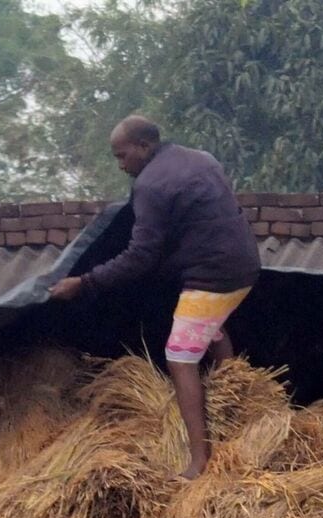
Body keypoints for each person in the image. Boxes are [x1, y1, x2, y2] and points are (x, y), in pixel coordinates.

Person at [49, 115, 261, 480]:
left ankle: (200, 461)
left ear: (143, 147)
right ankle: (237, 404)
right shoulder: (202, 159)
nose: (120, 165)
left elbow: (140, 256)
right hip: (245, 264)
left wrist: (83, 283)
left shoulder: (150, 185)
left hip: (211, 276)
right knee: (211, 328)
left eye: (122, 155)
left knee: (179, 358)